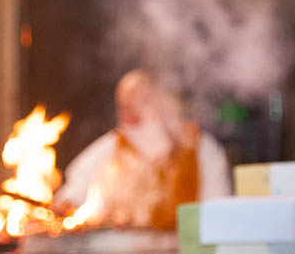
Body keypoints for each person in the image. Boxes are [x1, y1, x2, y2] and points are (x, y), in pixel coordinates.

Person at [53, 69, 231, 229]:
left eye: (138, 103)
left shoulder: (200, 149)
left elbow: (218, 209)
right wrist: (66, 202)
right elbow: (76, 188)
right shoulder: (112, 147)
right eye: (123, 107)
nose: (129, 115)